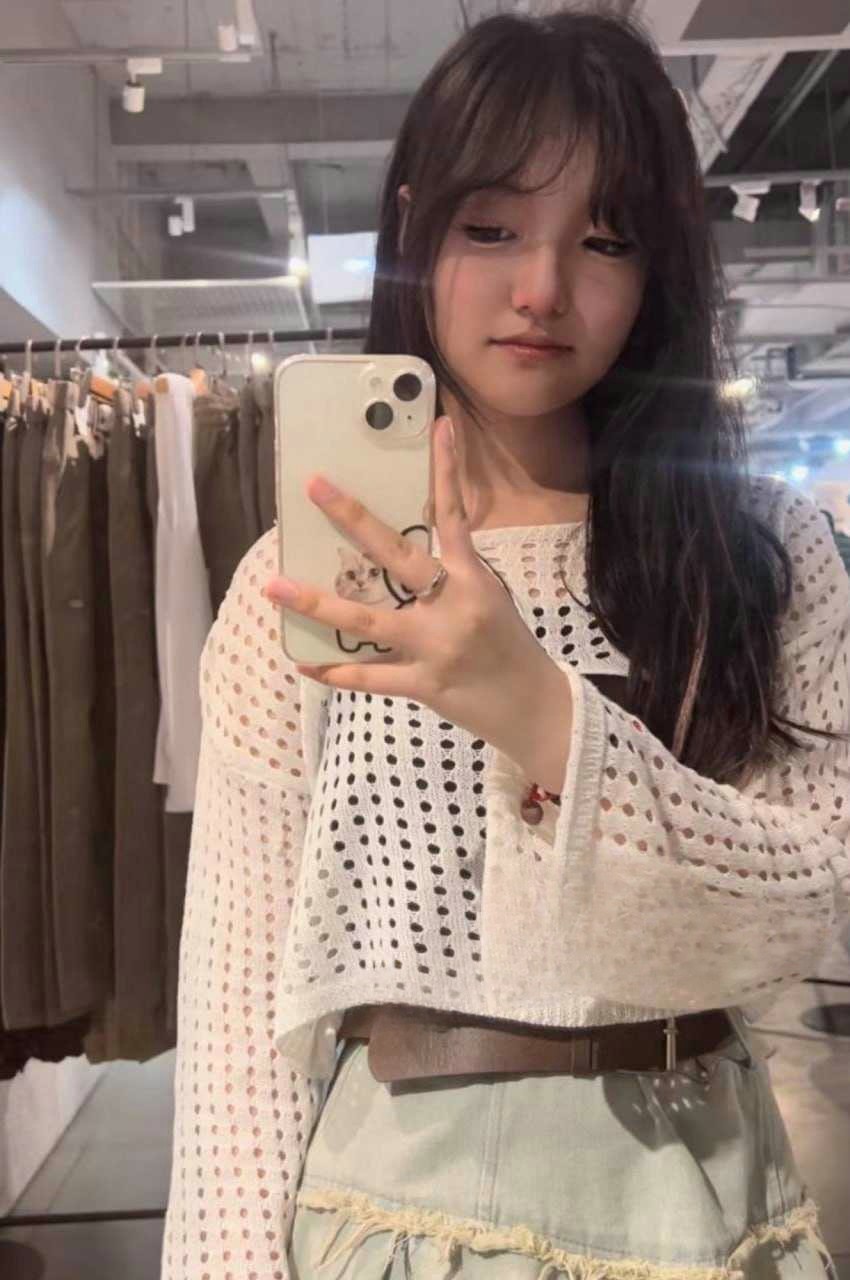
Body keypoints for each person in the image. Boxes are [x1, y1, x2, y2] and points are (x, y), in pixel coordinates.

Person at [160, 9, 850, 1280]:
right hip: (399, 1215)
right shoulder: (294, 586)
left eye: (604, 239)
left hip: (712, 1197)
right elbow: (241, 1019)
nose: (540, 288)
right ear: (416, 229)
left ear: (656, 269)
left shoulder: (757, 552)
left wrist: (534, 705)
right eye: (490, 229)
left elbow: (808, 904)